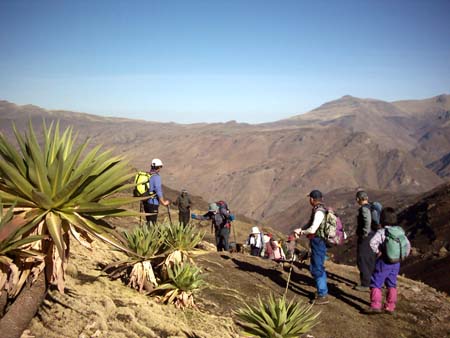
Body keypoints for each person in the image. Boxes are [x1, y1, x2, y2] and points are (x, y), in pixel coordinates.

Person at [365, 207, 411, 314]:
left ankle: (375, 305)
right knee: (392, 283)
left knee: (376, 282)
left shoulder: (383, 232)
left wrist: (378, 252)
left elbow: (372, 243)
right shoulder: (400, 231)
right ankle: (390, 306)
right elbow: (407, 245)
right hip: (396, 262)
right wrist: (401, 256)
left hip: (384, 261)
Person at [293, 190, 329, 305]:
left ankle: (322, 294)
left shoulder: (319, 212)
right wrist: (301, 230)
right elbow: (309, 224)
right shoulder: (318, 210)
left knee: (316, 267)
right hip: (318, 241)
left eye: (310, 198)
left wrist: (302, 232)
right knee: (318, 266)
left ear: (312, 199)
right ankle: (322, 290)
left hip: (318, 241)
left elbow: (313, 229)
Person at [354, 190, 377, 292]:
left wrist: (364, 233)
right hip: (374, 235)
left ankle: (365, 283)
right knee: (370, 258)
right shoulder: (372, 207)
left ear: (358, 199)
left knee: (362, 259)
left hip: (366, 237)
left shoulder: (364, 209)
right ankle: (373, 281)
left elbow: (367, 221)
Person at [143, 158, 170, 225]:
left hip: (146, 202)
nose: (160, 169)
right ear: (158, 167)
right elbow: (158, 191)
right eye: (160, 167)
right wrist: (163, 202)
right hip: (153, 203)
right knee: (152, 223)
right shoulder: (156, 177)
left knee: (149, 222)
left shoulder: (149, 175)